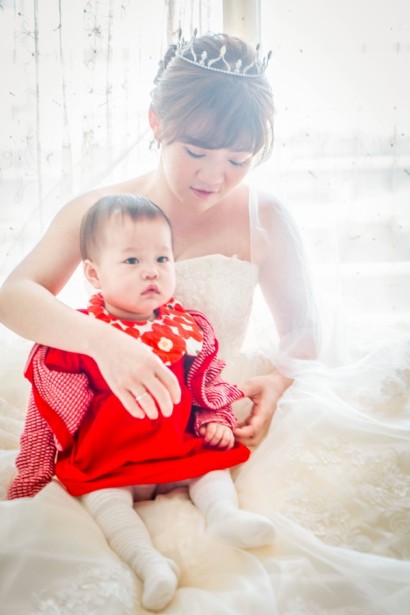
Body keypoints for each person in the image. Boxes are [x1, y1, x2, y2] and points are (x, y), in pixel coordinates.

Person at [0, 30, 409, 615]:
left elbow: (301, 333)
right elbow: (14, 296)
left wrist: (279, 383)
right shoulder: (99, 212)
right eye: (195, 152)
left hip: (208, 410)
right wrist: (105, 343)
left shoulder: (266, 216)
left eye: (238, 161)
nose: (214, 177)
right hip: (111, 412)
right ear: (155, 123)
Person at [8, 194, 275, 611]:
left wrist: (214, 419)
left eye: (162, 259)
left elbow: (204, 385)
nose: (151, 270)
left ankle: (224, 517)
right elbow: (44, 414)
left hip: (177, 447)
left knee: (212, 472)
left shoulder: (186, 328)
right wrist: (32, 476)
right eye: (132, 260)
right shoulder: (77, 336)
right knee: (105, 502)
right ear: (94, 274)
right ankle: (149, 563)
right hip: (110, 460)